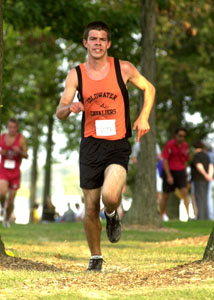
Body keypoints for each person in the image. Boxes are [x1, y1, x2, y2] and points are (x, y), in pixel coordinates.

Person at [56, 21, 155, 271]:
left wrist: (143, 117)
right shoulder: (75, 74)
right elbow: (60, 111)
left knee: (110, 196)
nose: (97, 43)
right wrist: (70, 107)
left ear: (108, 44)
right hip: (90, 146)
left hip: (117, 144)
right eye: (93, 39)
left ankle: (111, 215)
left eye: (102, 39)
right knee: (90, 207)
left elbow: (149, 88)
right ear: (85, 43)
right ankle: (96, 257)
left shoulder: (123, 68)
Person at [0, 118, 28, 227]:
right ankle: (2, 207)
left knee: (11, 201)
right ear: (7, 127)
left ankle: (6, 218)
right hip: (3, 170)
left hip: (15, 172)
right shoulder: (2, 137)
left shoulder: (22, 139)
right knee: (2, 193)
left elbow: (26, 155)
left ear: (17, 128)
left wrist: (20, 152)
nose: (12, 129)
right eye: (10, 127)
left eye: (14, 127)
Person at [159, 127, 190, 221]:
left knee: (185, 192)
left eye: (183, 136)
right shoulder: (169, 144)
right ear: (175, 136)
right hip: (170, 171)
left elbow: (185, 161)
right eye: (180, 136)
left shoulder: (185, 146)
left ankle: (188, 217)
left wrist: (185, 175)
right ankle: (160, 216)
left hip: (180, 172)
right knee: (165, 195)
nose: (181, 138)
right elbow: (165, 160)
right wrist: (168, 176)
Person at [191, 140, 213, 220]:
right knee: (205, 198)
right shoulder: (206, 155)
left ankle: (200, 217)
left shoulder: (197, 156)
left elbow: (199, 166)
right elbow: (211, 166)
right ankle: (206, 216)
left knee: (199, 198)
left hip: (198, 179)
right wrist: (209, 176)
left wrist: (205, 175)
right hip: (206, 180)